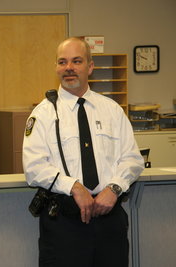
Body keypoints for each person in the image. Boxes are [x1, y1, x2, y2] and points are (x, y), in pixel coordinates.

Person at [22, 37, 144, 267]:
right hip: (64, 222)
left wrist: (114, 188)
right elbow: (34, 167)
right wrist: (74, 187)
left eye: (76, 61)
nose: (69, 67)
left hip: (109, 219)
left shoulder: (111, 110)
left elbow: (132, 159)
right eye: (62, 62)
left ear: (90, 66)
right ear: (56, 68)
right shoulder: (43, 114)